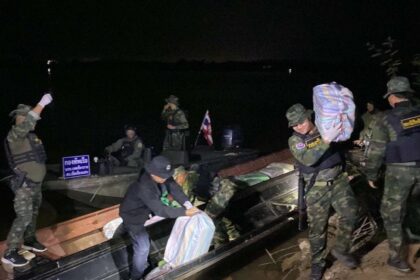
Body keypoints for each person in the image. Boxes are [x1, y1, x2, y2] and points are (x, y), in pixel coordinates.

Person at [286, 103, 358, 280]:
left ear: (308, 118)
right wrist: (326, 139)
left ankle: (341, 249)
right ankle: (318, 264)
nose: (298, 127)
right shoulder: (295, 141)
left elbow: (344, 136)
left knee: (351, 214)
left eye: (301, 122)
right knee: (318, 229)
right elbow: (309, 159)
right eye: (294, 125)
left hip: (339, 180)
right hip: (317, 188)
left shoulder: (324, 128)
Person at [364, 76, 420, 273]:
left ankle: (397, 258)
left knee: (391, 215)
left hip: (399, 173)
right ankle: (416, 240)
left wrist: (371, 175)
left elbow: (376, 151)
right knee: (415, 206)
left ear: (392, 97)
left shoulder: (384, 119)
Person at [119, 156, 200, 280]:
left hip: (147, 210)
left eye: (167, 175)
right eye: (163, 176)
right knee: (143, 247)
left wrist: (187, 204)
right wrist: (185, 212)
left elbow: (174, 188)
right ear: (152, 173)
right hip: (133, 216)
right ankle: (135, 277)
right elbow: (160, 210)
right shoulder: (144, 186)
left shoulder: (162, 176)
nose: (166, 178)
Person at [2, 93, 53, 267]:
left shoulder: (32, 137)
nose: (22, 118)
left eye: (24, 115)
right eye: (20, 116)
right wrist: (42, 104)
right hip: (24, 185)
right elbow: (28, 124)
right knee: (23, 217)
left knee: (33, 214)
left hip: (36, 185)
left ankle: (30, 240)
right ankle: (9, 252)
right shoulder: (15, 135)